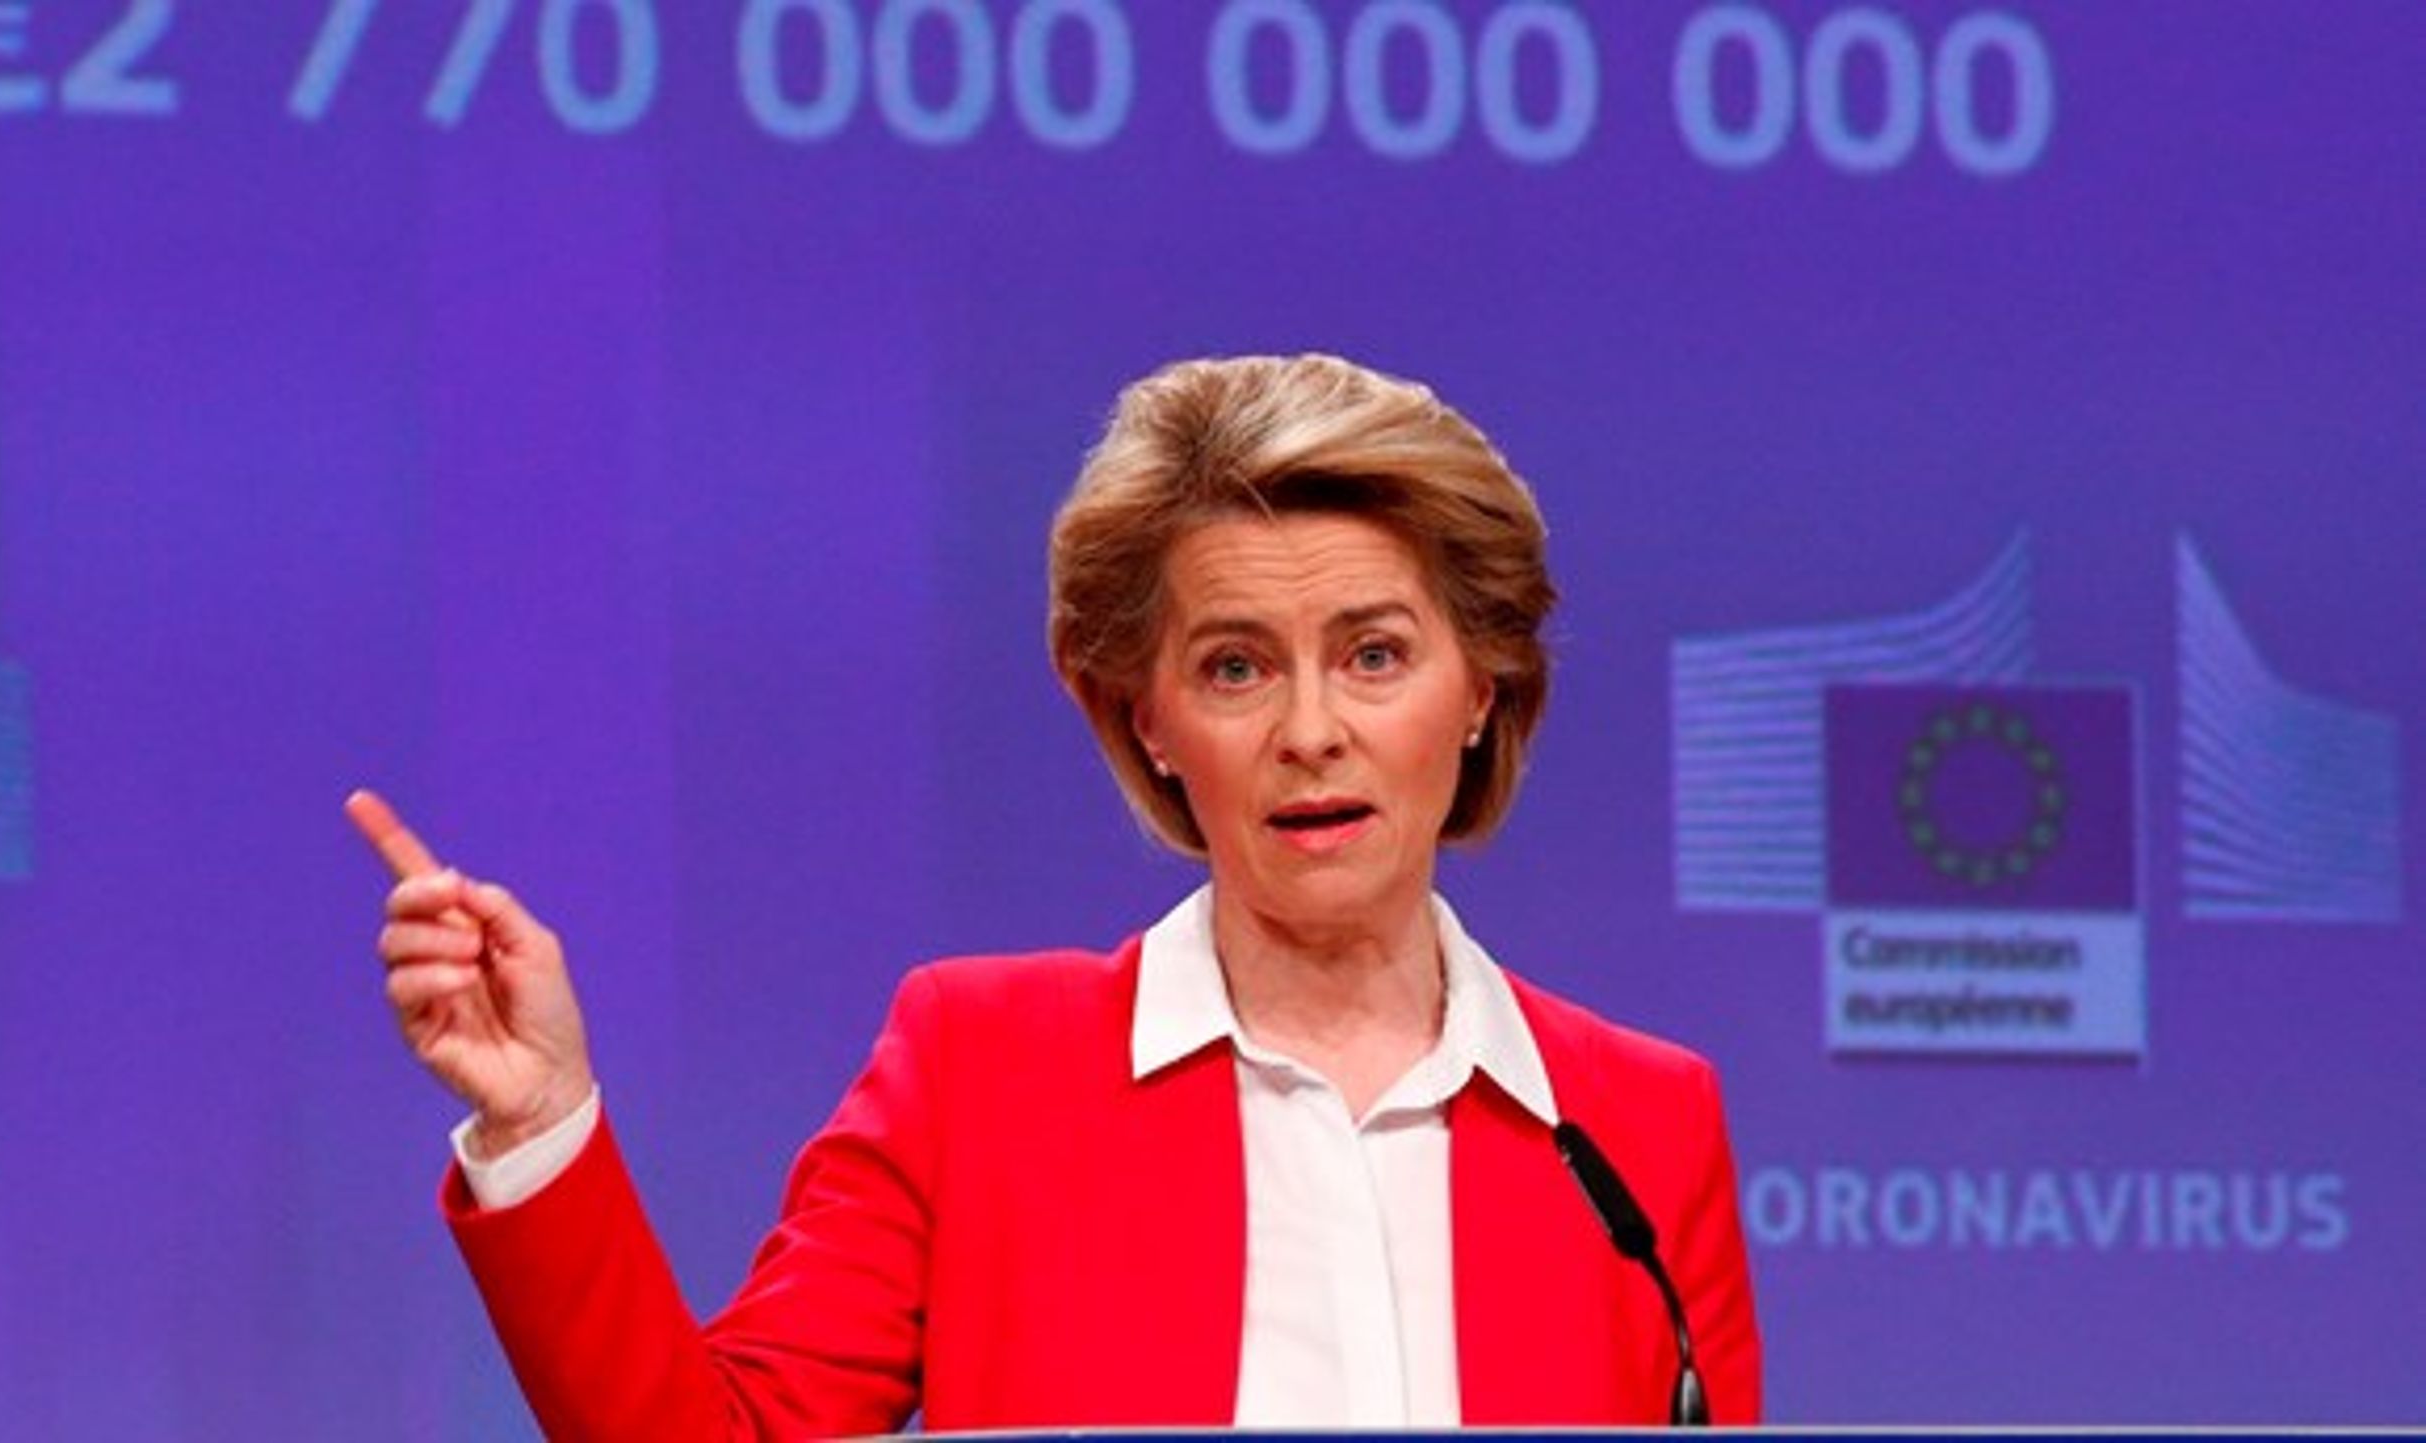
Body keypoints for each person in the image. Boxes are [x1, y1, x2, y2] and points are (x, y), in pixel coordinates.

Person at [351, 353, 1762, 1438]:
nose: (1311, 731)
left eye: (1375, 655)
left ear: (1482, 688)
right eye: (1235, 667)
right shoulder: (981, 1068)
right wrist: (539, 1120)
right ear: (1148, 720)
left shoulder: (1638, 1127)